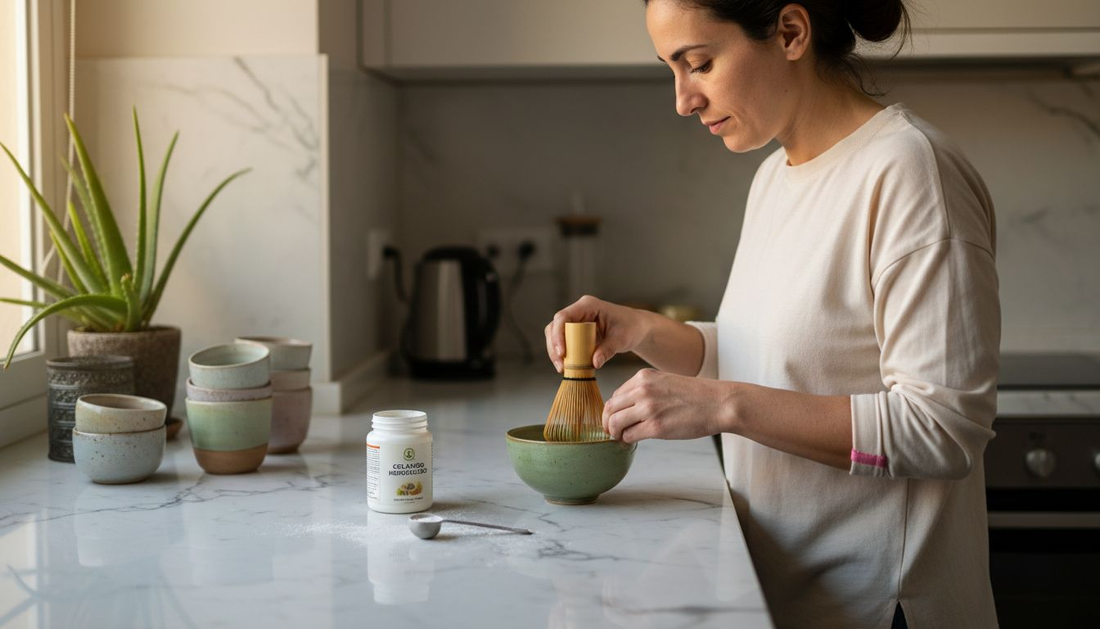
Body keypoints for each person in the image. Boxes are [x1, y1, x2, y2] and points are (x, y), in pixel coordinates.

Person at [544, 1, 1000, 628]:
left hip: (877, 604)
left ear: (790, 33)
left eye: (698, 63)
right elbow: (769, 354)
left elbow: (940, 428)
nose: (683, 99)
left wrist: (725, 405)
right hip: (782, 594)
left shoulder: (909, 171)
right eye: (670, 70)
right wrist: (641, 329)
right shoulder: (774, 177)